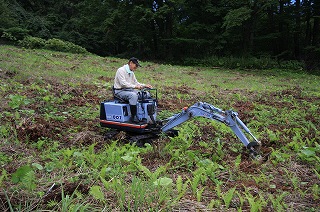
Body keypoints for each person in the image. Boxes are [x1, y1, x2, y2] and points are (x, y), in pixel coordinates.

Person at [113, 57, 152, 123]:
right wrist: (135, 87)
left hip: (129, 90)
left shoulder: (131, 72)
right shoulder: (121, 70)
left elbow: (136, 83)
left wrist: (144, 85)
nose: (136, 67)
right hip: (120, 91)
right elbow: (123, 84)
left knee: (146, 94)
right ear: (130, 63)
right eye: (135, 65)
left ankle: (145, 115)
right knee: (133, 96)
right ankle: (133, 117)